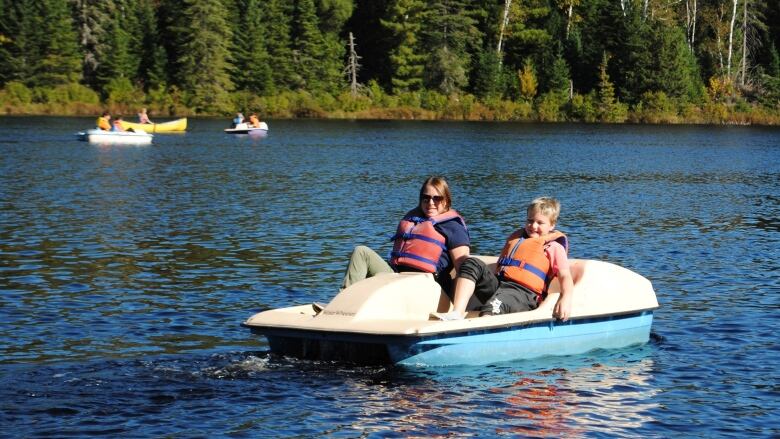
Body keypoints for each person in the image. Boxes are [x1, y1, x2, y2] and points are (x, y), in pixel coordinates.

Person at [432, 197, 574, 322]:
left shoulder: (554, 247)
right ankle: (457, 312)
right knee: (472, 263)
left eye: (540, 222)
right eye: (530, 221)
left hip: (524, 294)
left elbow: (565, 276)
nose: (533, 226)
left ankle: (483, 332)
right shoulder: (517, 238)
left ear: (552, 225)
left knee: (494, 305)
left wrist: (566, 298)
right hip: (500, 285)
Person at [340, 176, 471, 298]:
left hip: (427, 283)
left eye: (437, 198)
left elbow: (464, 270)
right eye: (426, 198)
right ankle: (343, 302)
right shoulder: (413, 219)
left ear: (446, 200)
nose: (431, 202)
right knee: (361, 252)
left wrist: (456, 306)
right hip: (397, 276)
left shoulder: (453, 227)